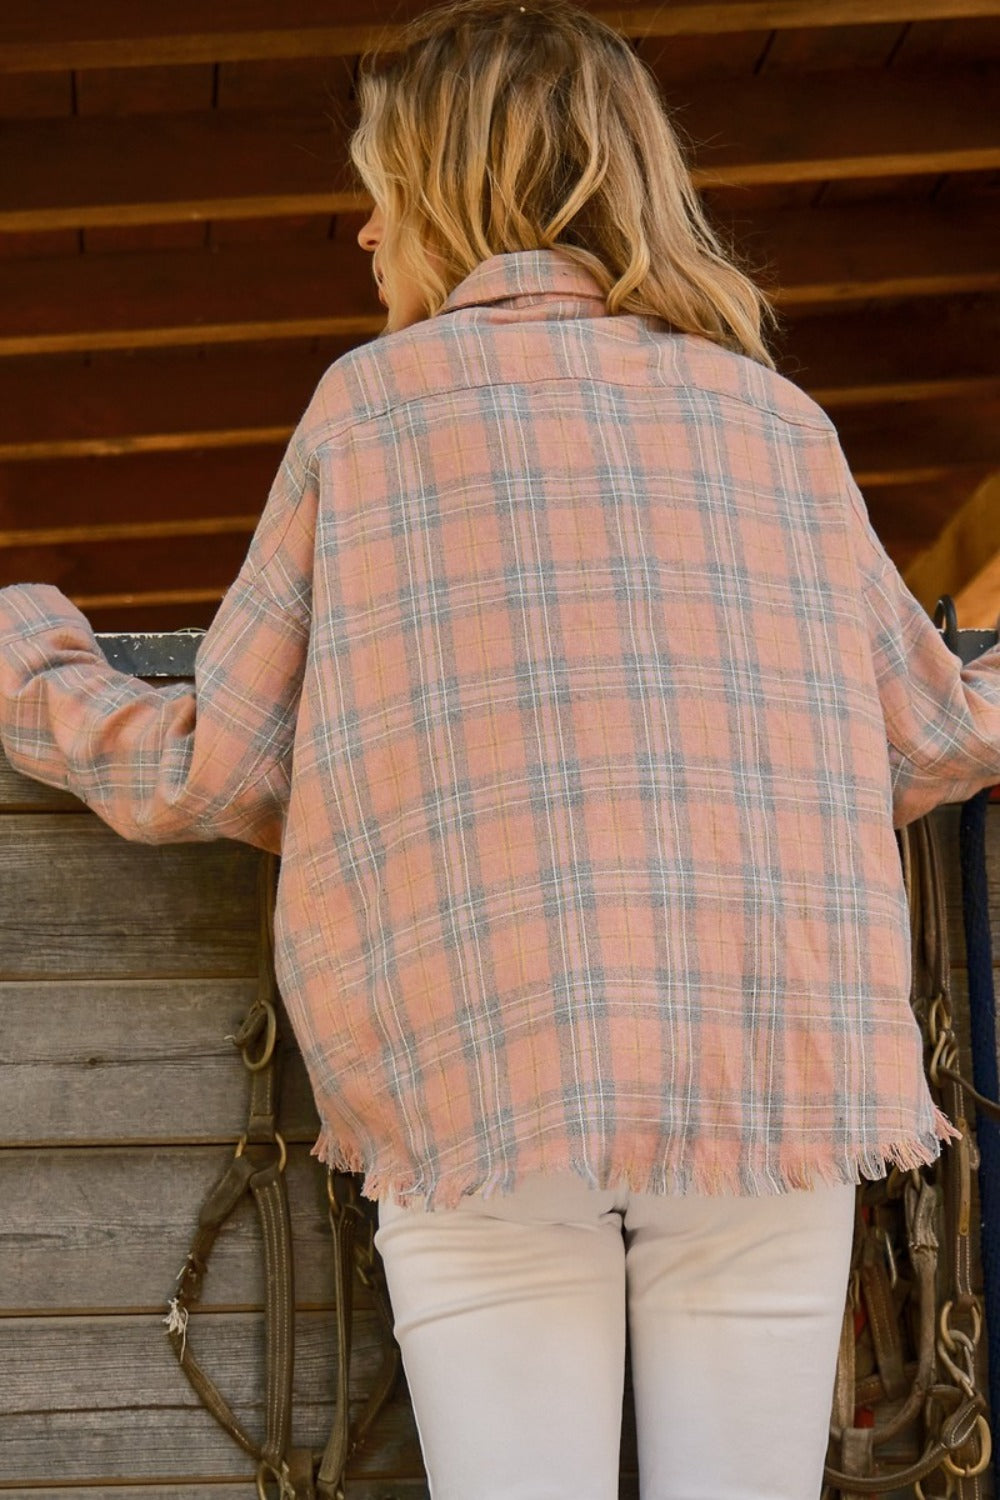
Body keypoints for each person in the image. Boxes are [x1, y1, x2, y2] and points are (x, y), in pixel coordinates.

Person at [2, 1, 999, 1495]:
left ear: (452, 198)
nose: (362, 234)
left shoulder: (370, 415)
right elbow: (927, 734)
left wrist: (30, 656)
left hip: (480, 1080)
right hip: (763, 1077)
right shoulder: (777, 425)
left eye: (380, 191)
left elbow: (212, 770)